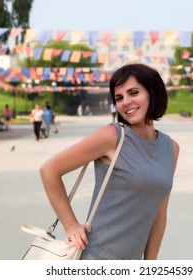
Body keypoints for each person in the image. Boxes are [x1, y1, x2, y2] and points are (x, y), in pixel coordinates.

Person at [39, 63, 180, 260]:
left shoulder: (171, 148)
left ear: (152, 93)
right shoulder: (112, 136)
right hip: (95, 257)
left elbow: (158, 216)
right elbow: (49, 170)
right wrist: (71, 225)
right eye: (119, 97)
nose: (126, 102)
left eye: (133, 93)